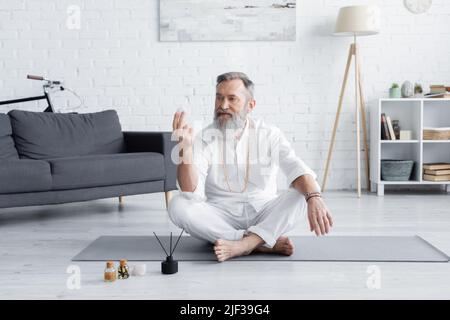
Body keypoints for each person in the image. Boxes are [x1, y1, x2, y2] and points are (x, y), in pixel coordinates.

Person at [169, 72, 333, 262]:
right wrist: (185, 151)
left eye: (232, 99)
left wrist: (314, 197)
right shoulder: (204, 138)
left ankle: (244, 244)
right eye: (219, 98)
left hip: (264, 211)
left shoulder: (269, 134)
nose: (223, 106)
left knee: (301, 194)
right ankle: (259, 242)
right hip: (221, 215)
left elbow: (294, 166)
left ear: (250, 105)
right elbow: (190, 192)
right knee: (178, 205)